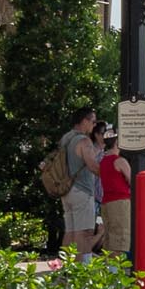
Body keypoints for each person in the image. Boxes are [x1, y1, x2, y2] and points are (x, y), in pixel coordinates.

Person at [57, 105, 101, 259]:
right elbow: (93, 166)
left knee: (70, 231)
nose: (94, 126)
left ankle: (66, 266)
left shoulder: (66, 138)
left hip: (66, 189)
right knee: (85, 232)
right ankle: (84, 267)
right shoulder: (84, 140)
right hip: (83, 190)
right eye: (93, 122)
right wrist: (109, 174)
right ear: (84, 121)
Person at [96, 125, 134, 262]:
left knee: (110, 238)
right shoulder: (120, 161)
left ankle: (110, 270)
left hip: (106, 202)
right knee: (120, 238)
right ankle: (115, 271)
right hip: (120, 202)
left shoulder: (103, 161)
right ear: (117, 142)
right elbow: (133, 181)